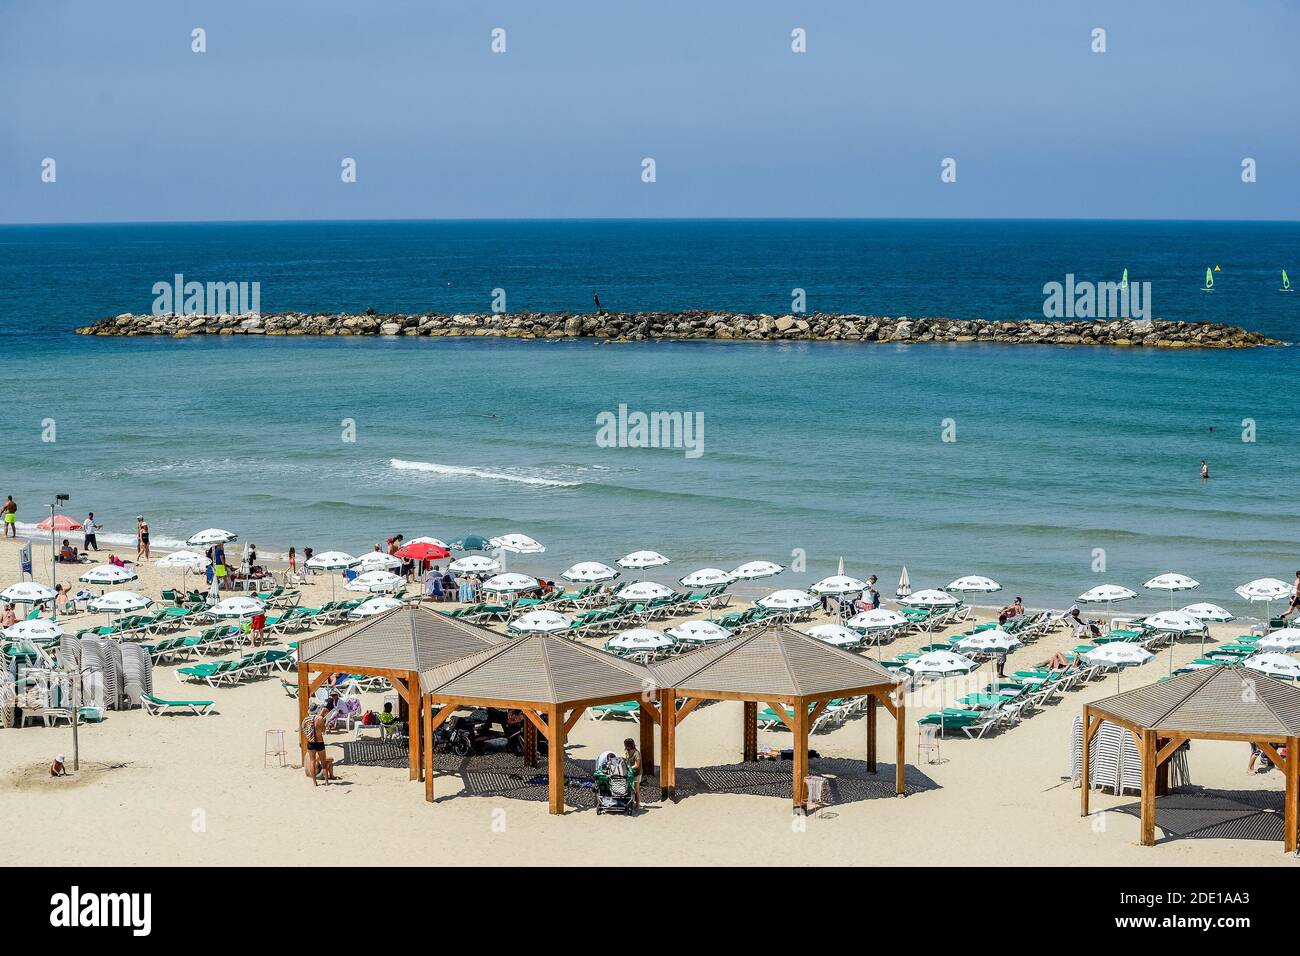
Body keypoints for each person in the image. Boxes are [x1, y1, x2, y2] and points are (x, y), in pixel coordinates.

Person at [304, 697, 338, 785]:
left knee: (312, 761)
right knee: (323, 763)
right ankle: (326, 782)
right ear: (316, 710)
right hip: (319, 742)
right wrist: (324, 723)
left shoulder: (305, 720)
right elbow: (324, 731)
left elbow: (304, 731)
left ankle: (315, 782)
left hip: (310, 742)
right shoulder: (319, 719)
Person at [623, 737, 642, 805]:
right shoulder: (627, 752)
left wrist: (629, 768)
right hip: (630, 772)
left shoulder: (636, 753)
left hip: (637, 773)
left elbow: (637, 765)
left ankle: (637, 804)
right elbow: (627, 760)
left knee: (636, 788)